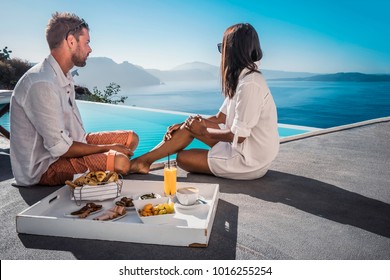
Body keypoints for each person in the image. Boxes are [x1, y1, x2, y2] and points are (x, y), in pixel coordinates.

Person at [130, 23, 279, 180]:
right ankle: (142, 162)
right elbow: (220, 118)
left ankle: (140, 162)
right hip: (242, 148)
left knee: (182, 158)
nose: (221, 53)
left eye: (223, 47)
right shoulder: (243, 78)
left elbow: (238, 136)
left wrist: (201, 131)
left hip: (249, 160)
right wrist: (185, 124)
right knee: (190, 125)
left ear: (232, 51)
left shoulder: (250, 84)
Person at [10, 12, 138, 186]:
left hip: (73, 143)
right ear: (71, 41)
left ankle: (116, 168)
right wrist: (107, 148)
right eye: (86, 43)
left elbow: (69, 140)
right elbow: (60, 149)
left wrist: (107, 148)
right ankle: (123, 169)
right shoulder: (41, 83)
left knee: (131, 139)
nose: (90, 49)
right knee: (120, 161)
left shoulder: (63, 75)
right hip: (45, 167)